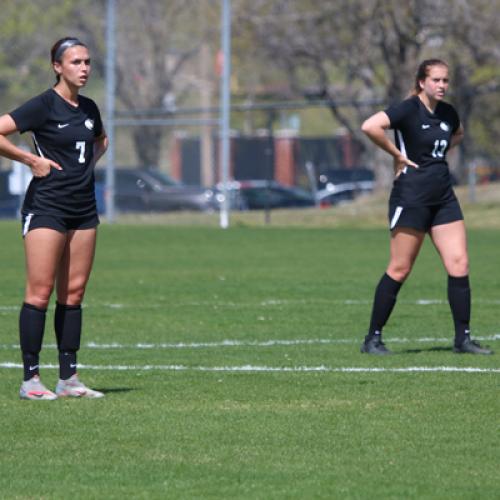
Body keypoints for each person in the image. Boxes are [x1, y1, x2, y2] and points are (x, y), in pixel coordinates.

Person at [360, 58, 492, 356]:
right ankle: (372, 339)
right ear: (422, 82)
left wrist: (438, 153)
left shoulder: (447, 113)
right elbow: (370, 126)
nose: (442, 85)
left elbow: (456, 134)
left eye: (446, 80)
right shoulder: (408, 108)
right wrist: (396, 153)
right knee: (400, 267)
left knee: (459, 264)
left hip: (443, 197)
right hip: (412, 197)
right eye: (436, 80)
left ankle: (463, 339)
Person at [0, 37, 109, 398]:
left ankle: (68, 380)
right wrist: (32, 161)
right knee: (40, 292)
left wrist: (85, 171)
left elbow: (100, 141)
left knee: (73, 294)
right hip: (46, 207)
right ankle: (30, 380)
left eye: (87, 62)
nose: (84, 68)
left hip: (83, 210)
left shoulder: (90, 107)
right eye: (76, 62)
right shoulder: (44, 105)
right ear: (57, 66)